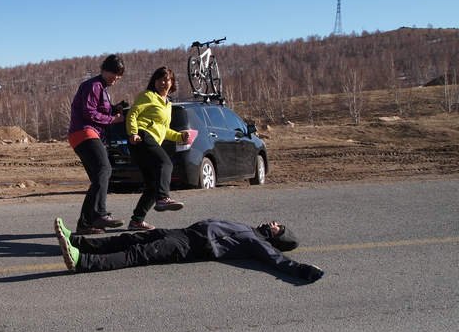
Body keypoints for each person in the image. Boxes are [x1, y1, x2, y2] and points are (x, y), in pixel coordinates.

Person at [53, 216, 324, 282]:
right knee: (131, 238)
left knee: (138, 255)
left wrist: (304, 271)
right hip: (186, 232)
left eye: (278, 227)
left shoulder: (259, 243)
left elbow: (278, 261)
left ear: (279, 237)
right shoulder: (251, 230)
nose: (274, 223)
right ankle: (77, 241)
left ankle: (82, 262)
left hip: (191, 245)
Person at [125, 66, 194, 231]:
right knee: (166, 163)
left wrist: (179, 136)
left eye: (167, 80)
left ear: (172, 83)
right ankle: (163, 198)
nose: (164, 83)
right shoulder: (148, 96)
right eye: (160, 79)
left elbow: (163, 129)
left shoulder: (168, 104)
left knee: (152, 185)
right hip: (141, 136)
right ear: (154, 81)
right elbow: (132, 114)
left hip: (151, 141)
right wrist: (133, 133)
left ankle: (136, 220)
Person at [67, 54, 126, 235]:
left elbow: (97, 110)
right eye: (113, 73)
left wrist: (114, 108)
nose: (115, 77)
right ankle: (100, 214)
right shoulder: (94, 85)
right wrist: (112, 119)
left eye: (119, 75)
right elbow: (89, 113)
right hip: (84, 132)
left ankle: (85, 224)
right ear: (103, 70)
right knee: (104, 169)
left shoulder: (102, 89)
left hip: (84, 134)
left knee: (98, 179)